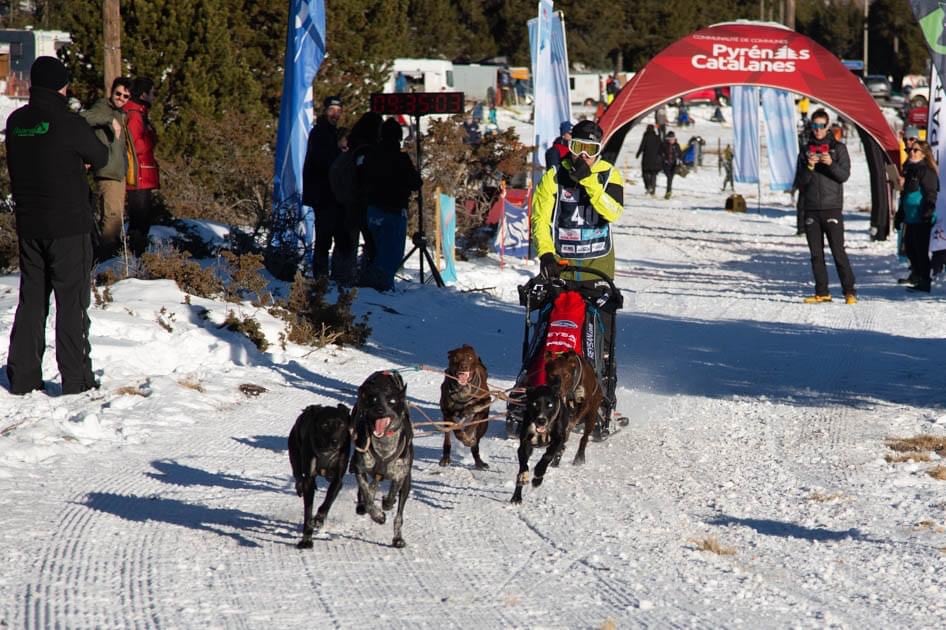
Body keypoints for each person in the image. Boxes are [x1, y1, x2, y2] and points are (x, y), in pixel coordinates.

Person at [5, 56, 112, 395]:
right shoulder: (70, 122)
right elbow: (102, 157)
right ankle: (76, 379)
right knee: (71, 303)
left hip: (30, 224)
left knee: (32, 301)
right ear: (61, 86)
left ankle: (22, 376)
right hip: (68, 225)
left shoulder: (16, 121)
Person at [531, 119, 624, 437]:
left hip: (598, 266)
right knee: (548, 328)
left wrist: (589, 183)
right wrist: (545, 253)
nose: (584, 156)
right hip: (563, 265)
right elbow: (540, 217)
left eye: (591, 150)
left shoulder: (610, 174)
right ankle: (534, 391)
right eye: (578, 148)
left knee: (602, 340)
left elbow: (613, 212)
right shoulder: (554, 176)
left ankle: (603, 403)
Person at [793, 108, 856, 304]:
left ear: (828, 126)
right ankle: (822, 292)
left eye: (821, 126)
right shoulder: (805, 150)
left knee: (838, 252)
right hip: (811, 207)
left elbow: (843, 176)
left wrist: (830, 163)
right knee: (816, 254)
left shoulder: (838, 148)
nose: (818, 130)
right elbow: (800, 182)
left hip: (832, 207)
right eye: (815, 126)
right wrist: (810, 166)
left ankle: (849, 291)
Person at [359, 118, 421, 291]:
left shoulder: (371, 157)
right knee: (391, 255)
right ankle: (382, 288)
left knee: (373, 249)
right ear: (398, 138)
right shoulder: (401, 159)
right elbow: (416, 183)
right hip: (394, 212)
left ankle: (367, 283)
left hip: (372, 210)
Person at [81, 76, 132, 261]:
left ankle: (110, 256)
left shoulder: (121, 113)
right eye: (118, 93)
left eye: (125, 96)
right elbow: (85, 117)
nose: (121, 98)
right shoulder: (103, 108)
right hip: (107, 171)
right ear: (112, 91)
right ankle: (106, 259)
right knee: (111, 217)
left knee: (116, 217)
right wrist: (109, 119)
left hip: (118, 172)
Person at [302, 95, 344, 279]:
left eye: (338, 111)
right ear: (324, 111)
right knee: (324, 237)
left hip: (333, 194)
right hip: (324, 194)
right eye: (331, 110)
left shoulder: (334, 133)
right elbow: (323, 161)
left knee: (336, 236)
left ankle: (330, 275)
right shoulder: (320, 132)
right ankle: (320, 276)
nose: (335, 114)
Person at [894, 140, 938, 293]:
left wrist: (927, 212)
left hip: (921, 216)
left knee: (920, 250)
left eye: (916, 150)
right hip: (910, 216)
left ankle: (924, 281)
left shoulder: (926, 170)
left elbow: (931, 193)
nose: (911, 152)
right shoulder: (908, 168)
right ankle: (916, 275)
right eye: (909, 150)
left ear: (924, 154)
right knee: (910, 249)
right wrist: (899, 215)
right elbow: (905, 194)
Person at [123, 77, 160, 256]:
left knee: (142, 219)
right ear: (144, 94)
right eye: (152, 92)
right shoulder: (135, 115)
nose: (154, 96)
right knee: (140, 219)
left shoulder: (139, 113)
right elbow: (135, 145)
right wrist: (151, 139)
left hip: (142, 173)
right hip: (138, 175)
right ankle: (135, 255)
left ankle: (137, 253)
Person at [636, 124, 661, 196]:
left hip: (646, 158)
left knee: (645, 173)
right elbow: (660, 147)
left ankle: (648, 186)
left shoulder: (646, 136)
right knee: (653, 174)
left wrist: (638, 154)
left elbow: (642, 146)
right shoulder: (657, 137)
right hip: (655, 159)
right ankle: (653, 189)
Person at [659, 131, 682, 199]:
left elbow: (680, 153)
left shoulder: (676, 145)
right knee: (669, 177)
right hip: (666, 164)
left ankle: (668, 191)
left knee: (670, 178)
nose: (672, 140)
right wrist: (663, 158)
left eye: (673, 139)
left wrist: (680, 159)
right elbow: (659, 152)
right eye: (670, 139)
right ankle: (668, 191)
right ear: (667, 139)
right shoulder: (664, 145)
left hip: (674, 164)